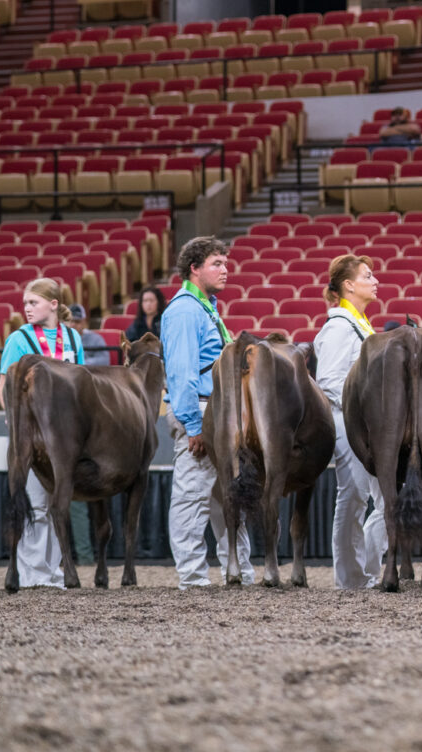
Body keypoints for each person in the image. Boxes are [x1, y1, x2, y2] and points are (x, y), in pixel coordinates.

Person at [162, 236, 253, 589]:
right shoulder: (185, 310)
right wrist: (193, 425)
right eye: (217, 263)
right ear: (194, 269)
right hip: (201, 410)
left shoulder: (205, 308)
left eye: (225, 263)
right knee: (192, 496)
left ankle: (239, 572)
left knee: (228, 496)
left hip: (219, 410)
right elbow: (181, 372)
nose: (225, 269)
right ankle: (193, 577)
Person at [0, 278, 87, 590]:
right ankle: (35, 573)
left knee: (57, 503)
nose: (27, 308)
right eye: (25, 303)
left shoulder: (73, 338)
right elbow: (4, 387)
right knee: (35, 503)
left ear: (53, 304)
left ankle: (51, 570)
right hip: (32, 433)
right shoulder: (19, 339)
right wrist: (15, 418)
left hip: (66, 435)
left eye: (33, 302)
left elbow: (82, 384)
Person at [313, 254, 389, 590]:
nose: (375, 281)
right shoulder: (339, 327)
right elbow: (329, 381)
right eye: (367, 276)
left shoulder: (360, 325)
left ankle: (366, 570)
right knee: (354, 495)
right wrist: (362, 409)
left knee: (385, 499)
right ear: (349, 285)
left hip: (371, 423)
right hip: (348, 421)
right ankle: (350, 577)